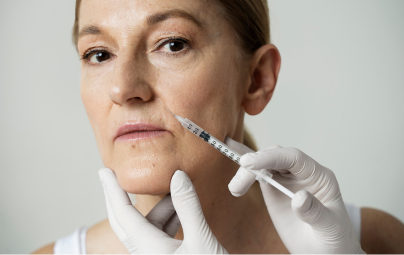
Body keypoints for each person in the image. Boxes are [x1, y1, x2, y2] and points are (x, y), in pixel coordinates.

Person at [33, 0, 404, 253]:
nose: (124, 88)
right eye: (99, 54)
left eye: (173, 44)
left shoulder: (374, 241)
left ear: (256, 79)